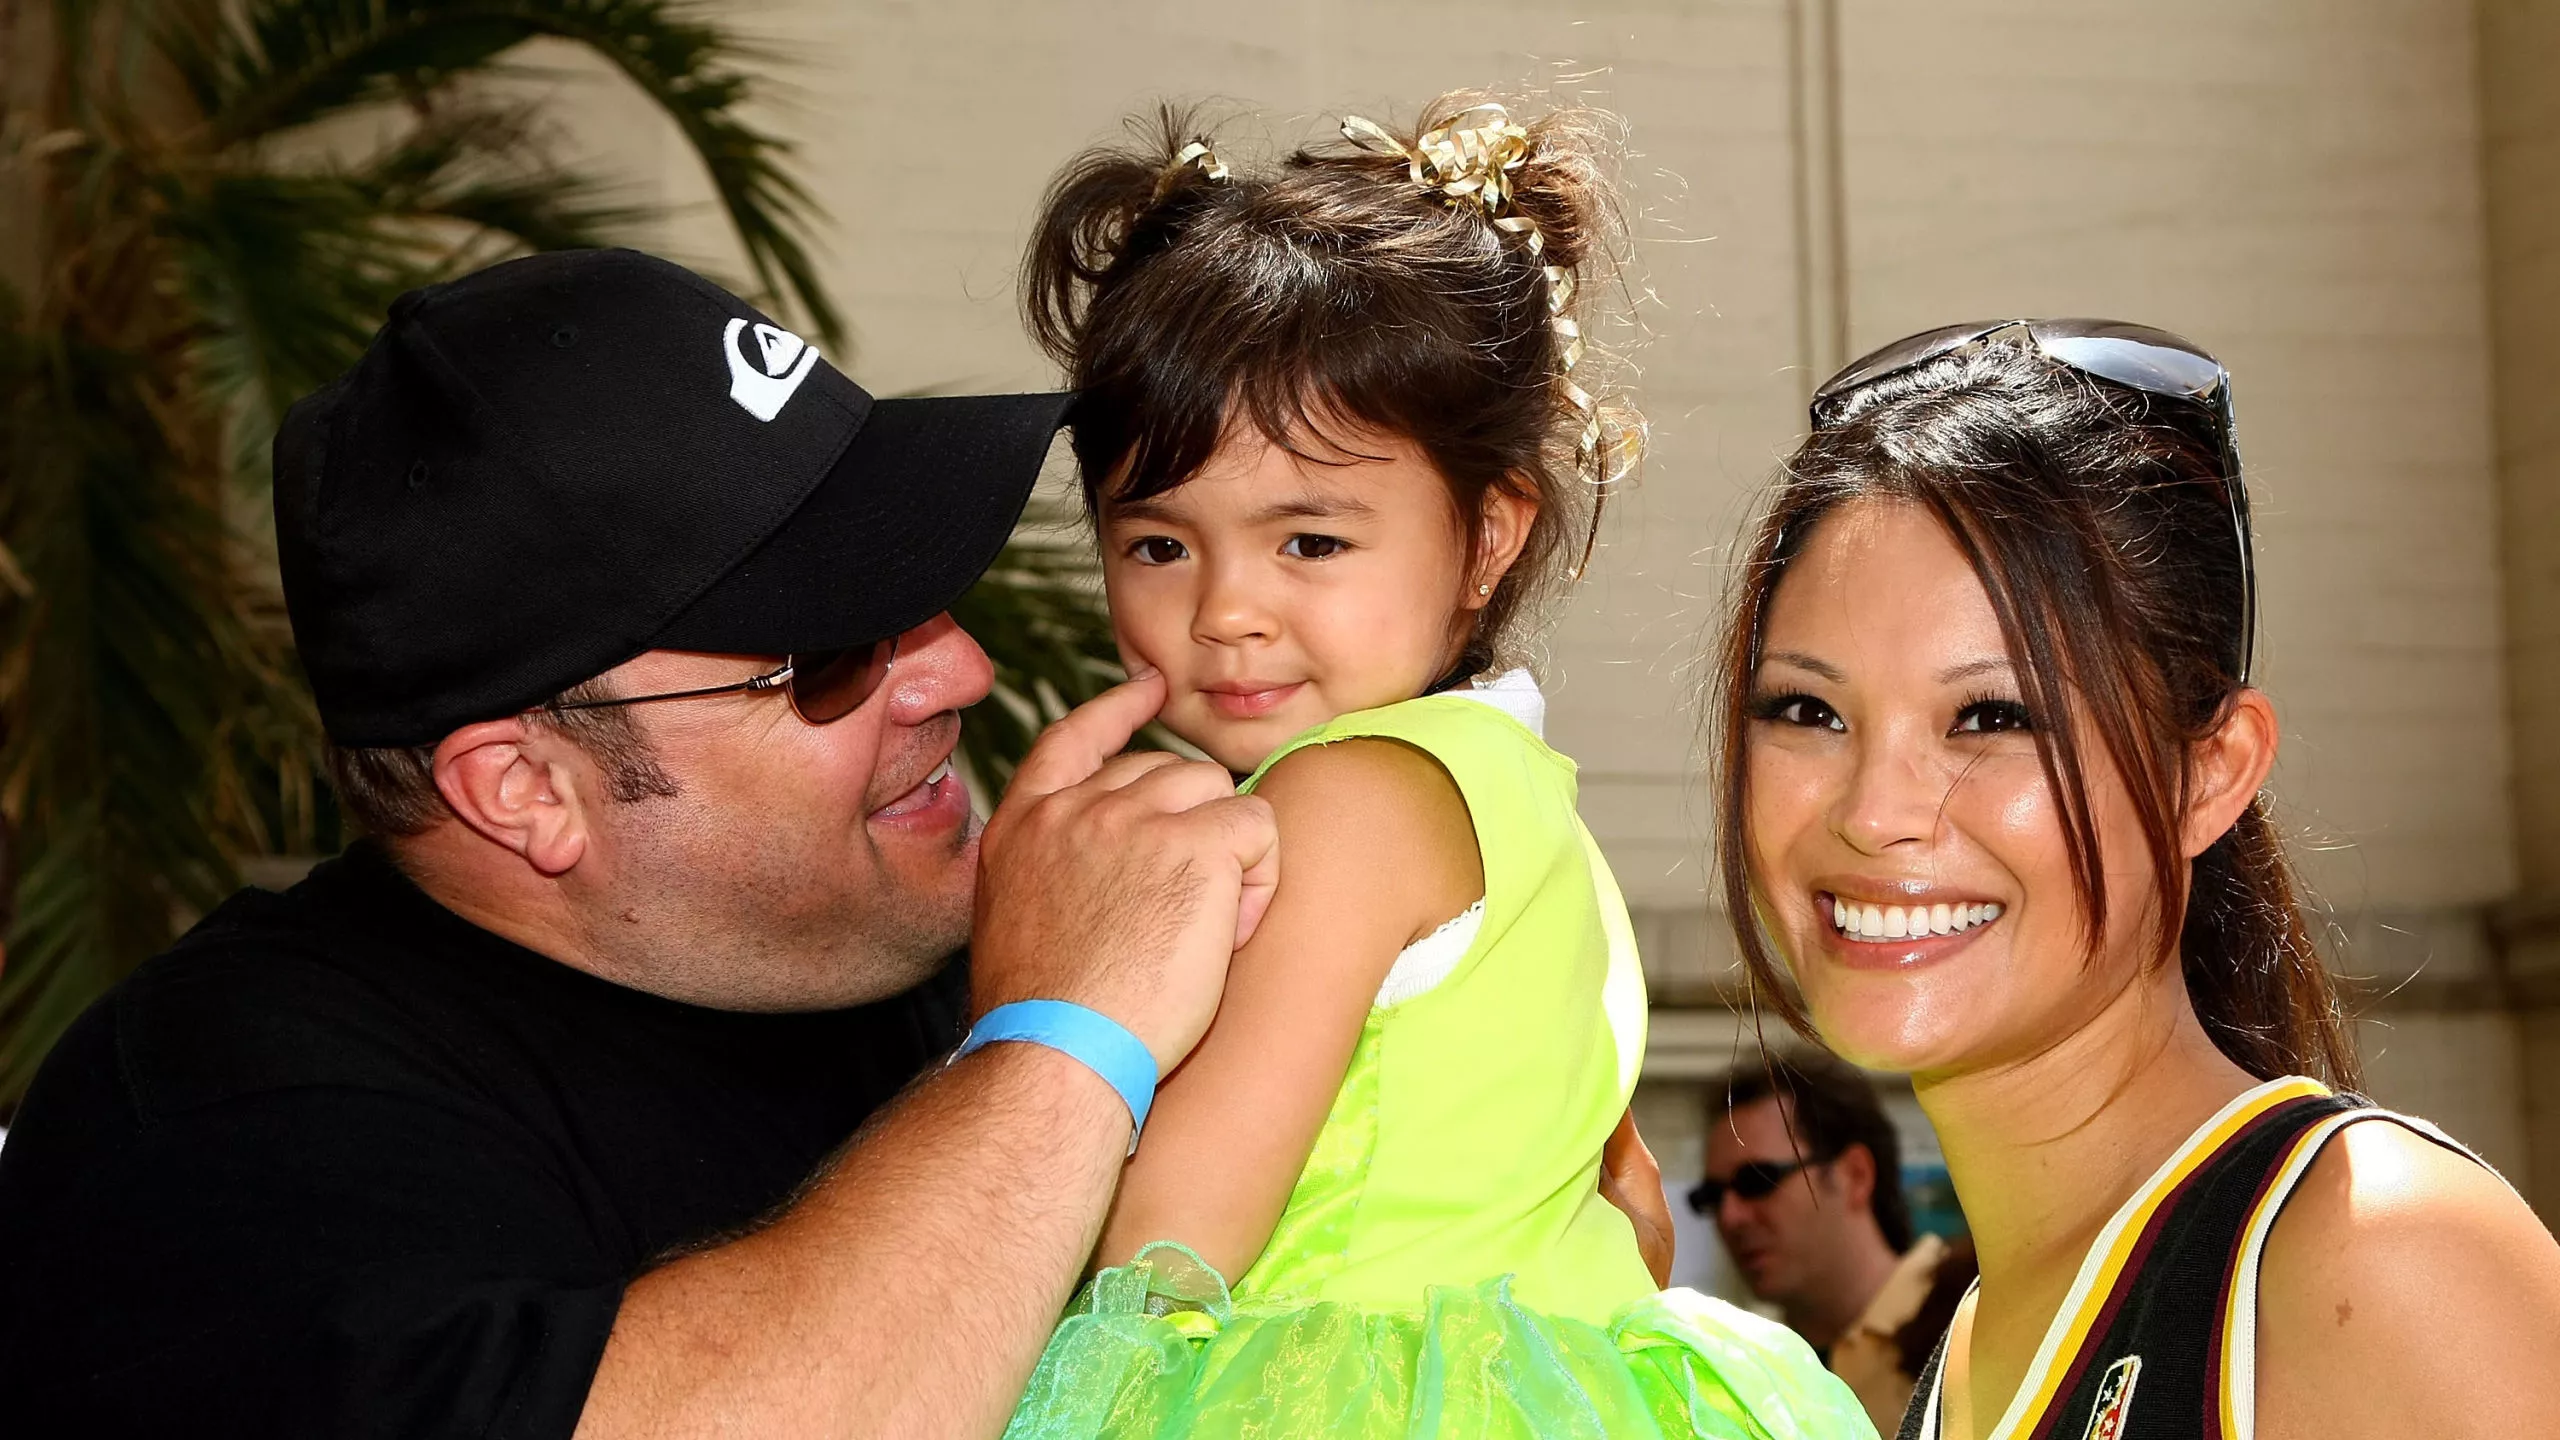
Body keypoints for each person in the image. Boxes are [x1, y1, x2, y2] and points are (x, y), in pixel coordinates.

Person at [0, 247, 1285, 1439]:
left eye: (925, 594)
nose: (961, 672)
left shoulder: (899, 948)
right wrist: (1064, 1043)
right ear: (524, 790)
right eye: (831, 657)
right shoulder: (221, 1126)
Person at [996, 97, 1876, 1439]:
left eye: (1310, 542)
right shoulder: (1518, 796)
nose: (1226, 610)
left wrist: (1032, 1014)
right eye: (1158, 545)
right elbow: (1628, 1215)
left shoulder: (1344, 798)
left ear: (1489, 536)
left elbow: (1163, 1248)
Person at [1709, 319, 2560, 1439]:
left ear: (2210, 773)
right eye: (1808, 710)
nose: (1873, 813)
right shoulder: (1964, 1355)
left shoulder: (2378, 1256)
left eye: (1992, 717)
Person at [1696, 1058, 1976, 1432]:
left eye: (1758, 1180)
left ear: (1855, 1175)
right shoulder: (1742, 1377)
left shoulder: (1975, 1321)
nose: (1730, 1216)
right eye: (1711, 1197)